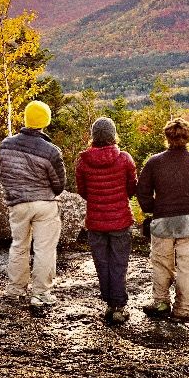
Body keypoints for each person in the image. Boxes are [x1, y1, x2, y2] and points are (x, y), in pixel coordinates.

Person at [136, 117, 189, 324]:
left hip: (162, 220)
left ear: (167, 137)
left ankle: (161, 302)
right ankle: (183, 308)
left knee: (161, 263)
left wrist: (152, 209)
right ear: (188, 137)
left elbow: (143, 191)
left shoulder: (154, 162)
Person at [0, 100, 66, 308]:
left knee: (19, 246)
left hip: (17, 203)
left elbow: (5, 174)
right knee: (44, 249)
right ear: (46, 121)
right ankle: (41, 293)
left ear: (26, 119)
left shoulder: (6, 145)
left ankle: (15, 289)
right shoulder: (51, 151)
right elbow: (59, 184)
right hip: (44, 203)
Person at [75, 117, 137, 325]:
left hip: (95, 221)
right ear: (113, 134)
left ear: (94, 136)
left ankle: (110, 304)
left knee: (102, 263)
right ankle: (119, 306)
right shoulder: (125, 159)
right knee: (119, 263)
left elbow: (83, 192)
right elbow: (132, 189)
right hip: (120, 220)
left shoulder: (83, 161)